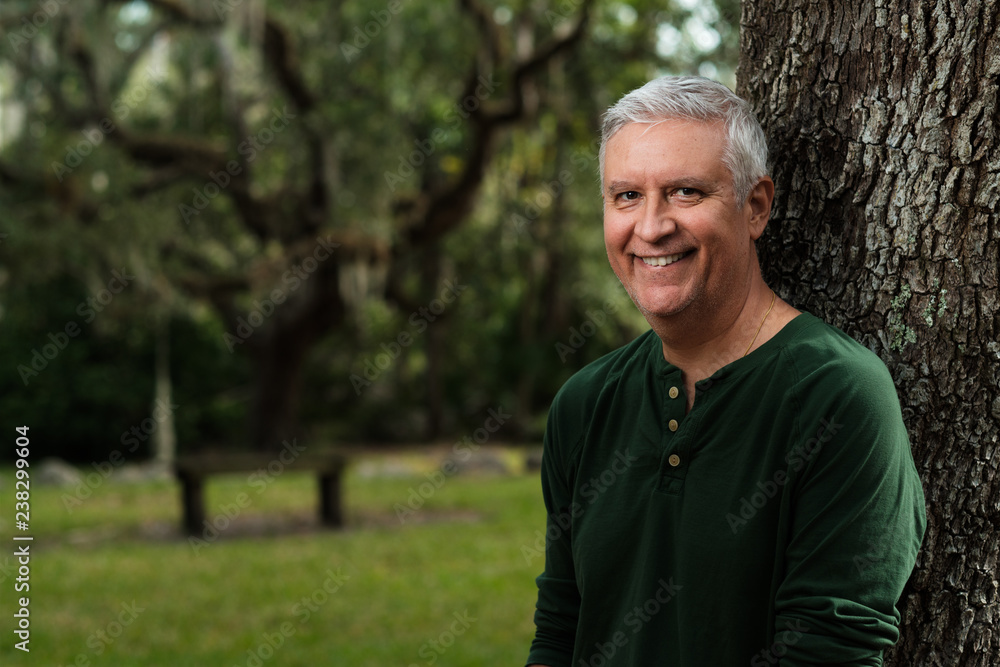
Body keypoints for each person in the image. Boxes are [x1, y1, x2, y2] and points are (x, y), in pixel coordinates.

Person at [525, 76, 926, 666]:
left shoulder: (837, 396)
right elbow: (561, 630)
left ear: (755, 206)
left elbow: (828, 653)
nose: (652, 226)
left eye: (685, 192)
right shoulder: (584, 404)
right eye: (626, 196)